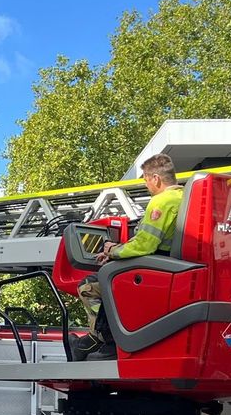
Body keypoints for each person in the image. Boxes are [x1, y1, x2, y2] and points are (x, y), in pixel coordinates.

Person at [73, 153, 186, 360]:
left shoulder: (161, 202)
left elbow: (145, 244)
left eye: (145, 179)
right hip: (169, 267)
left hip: (152, 271)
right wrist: (119, 248)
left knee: (89, 286)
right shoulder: (184, 197)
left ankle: (107, 340)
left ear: (156, 179)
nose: (146, 185)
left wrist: (112, 252)